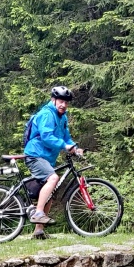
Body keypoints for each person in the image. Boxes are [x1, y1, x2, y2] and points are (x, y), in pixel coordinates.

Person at [24, 85, 84, 239]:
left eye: (66, 102)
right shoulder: (46, 114)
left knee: (50, 191)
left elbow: (66, 137)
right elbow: (46, 137)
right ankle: (38, 213)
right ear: (53, 100)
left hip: (46, 158)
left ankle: (38, 231)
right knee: (53, 178)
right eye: (60, 101)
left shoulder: (62, 117)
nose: (63, 104)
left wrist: (75, 147)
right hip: (35, 155)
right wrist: (65, 146)